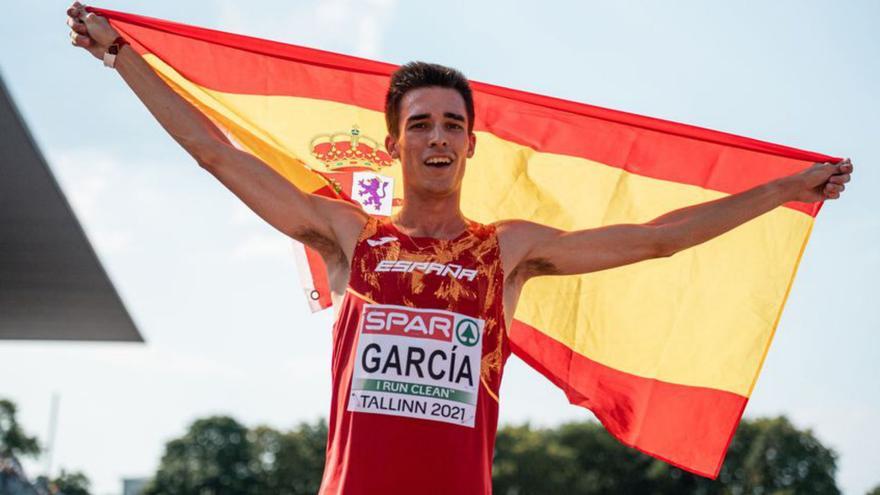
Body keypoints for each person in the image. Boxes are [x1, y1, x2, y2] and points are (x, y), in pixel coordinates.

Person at [67, 3, 853, 494]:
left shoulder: (506, 252)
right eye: (420, 124)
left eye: (451, 125)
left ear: (472, 145)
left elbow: (653, 240)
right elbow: (218, 155)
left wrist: (783, 189)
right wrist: (120, 55)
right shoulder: (352, 236)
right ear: (393, 143)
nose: (436, 137)